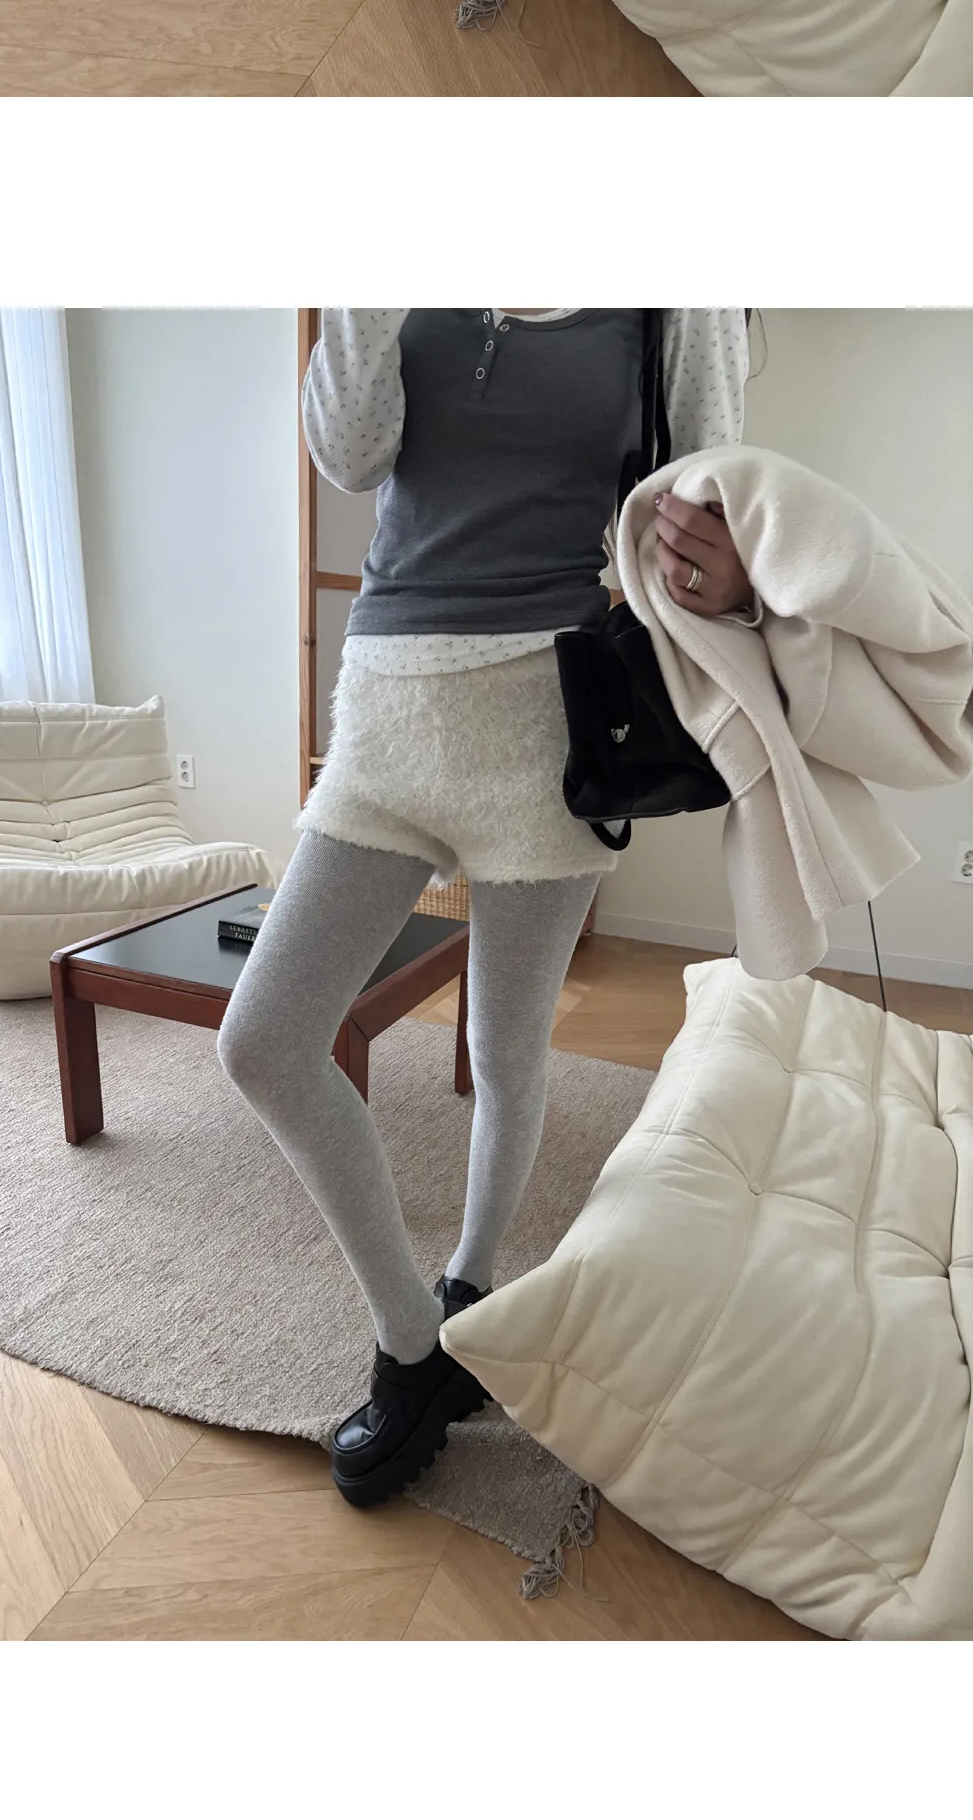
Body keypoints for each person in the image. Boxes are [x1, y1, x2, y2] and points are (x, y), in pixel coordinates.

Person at [220, 302, 748, 1510]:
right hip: (385, 712)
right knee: (264, 1039)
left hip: (548, 723)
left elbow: (713, 505)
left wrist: (723, 570)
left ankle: (467, 1282)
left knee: (504, 1047)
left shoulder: (673, 292)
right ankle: (415, 1344)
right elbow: (350, 456)